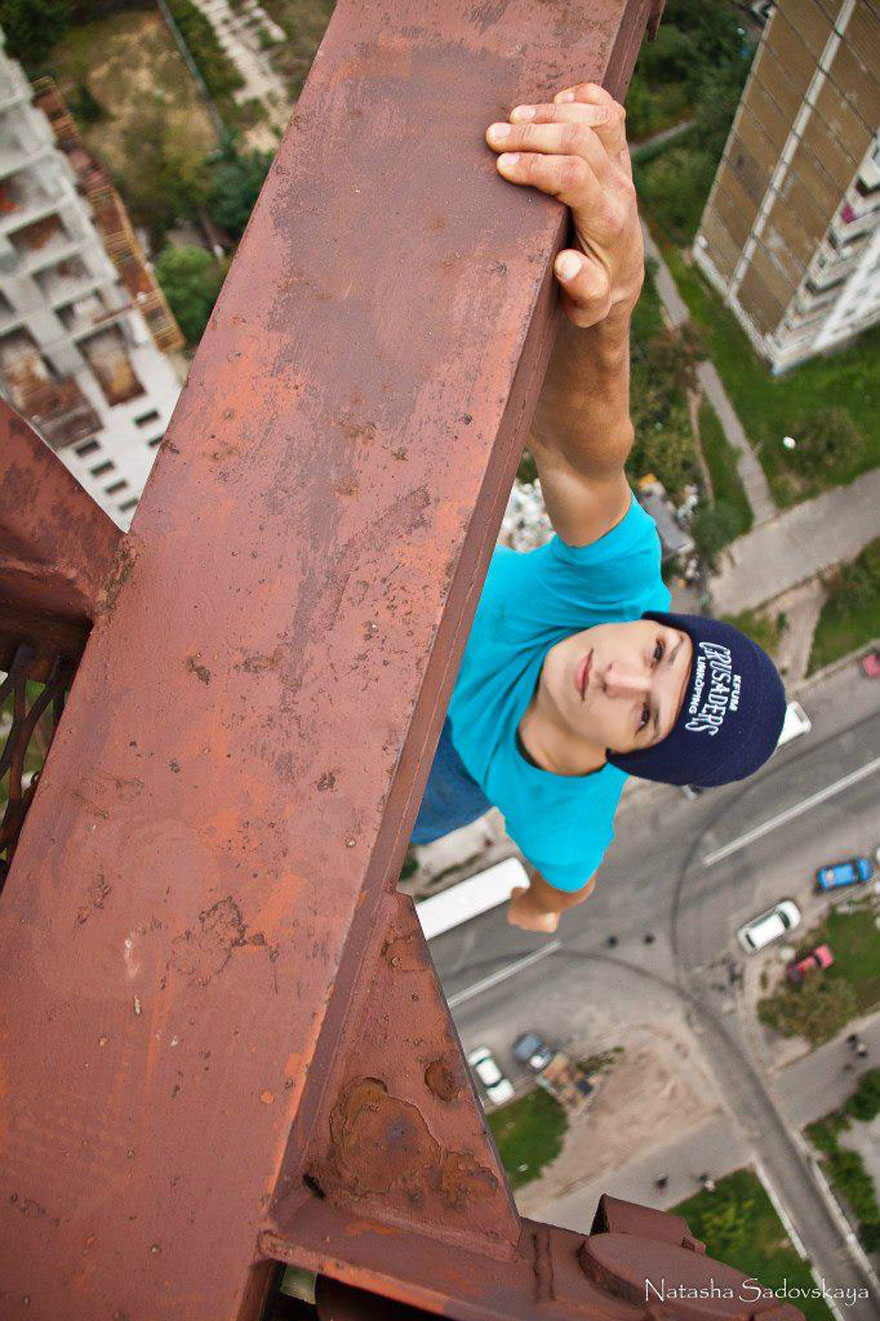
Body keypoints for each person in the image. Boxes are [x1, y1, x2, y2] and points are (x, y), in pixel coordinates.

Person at [412, 82, 787, 934]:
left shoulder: (568, 813)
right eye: (658, 650)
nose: (616, 673)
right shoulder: (613, 587)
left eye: (644, 713)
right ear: (658, 619)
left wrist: (533, 908)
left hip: (448, 769)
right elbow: (587, 453)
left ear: (630, 754)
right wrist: (608, 306)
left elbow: (567, 886)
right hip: (412, 619)